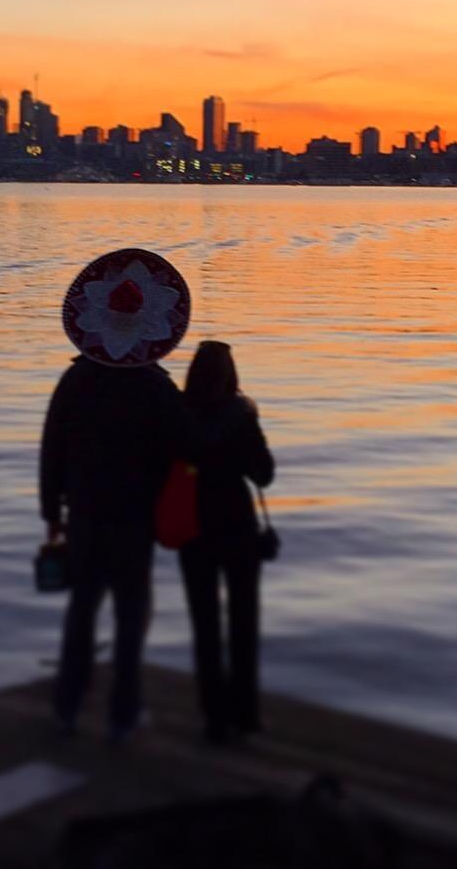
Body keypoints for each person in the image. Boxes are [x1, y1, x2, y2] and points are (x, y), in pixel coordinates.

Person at [40, 248, 191, 742]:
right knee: (130, 616)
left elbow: (53, 448)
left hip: (84, 511)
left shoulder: (76, 380)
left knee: (82, 608)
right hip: (134, 517)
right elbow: (184, 447)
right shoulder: (157, 389)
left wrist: (51, 513)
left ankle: (67, 705)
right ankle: (122, 716)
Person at [179, 340, 274, 743]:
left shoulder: (178, 414)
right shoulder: (241, 414)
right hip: (237, 527)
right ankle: (246, 716)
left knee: (205, 626)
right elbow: (264, 475)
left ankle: (214, 719)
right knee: (243, 623)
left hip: (194, 527)